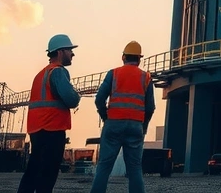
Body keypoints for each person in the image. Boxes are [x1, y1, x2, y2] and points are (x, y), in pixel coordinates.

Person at [18, 34, 81, 193]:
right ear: (60, 52)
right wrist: (77, 95)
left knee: (33, 171)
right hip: (52, 128)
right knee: (48, 173)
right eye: (69, 50)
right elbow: (71, 99)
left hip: (36, 129)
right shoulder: (58, 72)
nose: (72, 54)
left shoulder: (41, 74)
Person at [90, 40, 155, 193]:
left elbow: (99, 99)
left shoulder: (113, 74)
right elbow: (150, 107)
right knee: (135, 168)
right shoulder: (146, 78)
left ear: (123, 57)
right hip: (135, 126)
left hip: (113, 123)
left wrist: (105, 117)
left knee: (104, 166)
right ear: (139, 59)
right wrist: (143, 126)